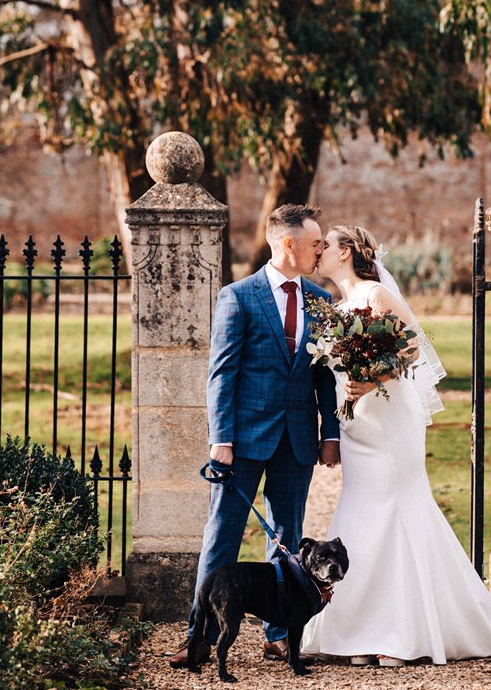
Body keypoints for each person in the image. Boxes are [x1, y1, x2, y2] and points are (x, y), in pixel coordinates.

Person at [301, 224, 491, 667]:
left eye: (324, 245)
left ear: (345, 252)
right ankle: (359, 631)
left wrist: (373, 381)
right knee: (361, 512)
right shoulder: (336, 307)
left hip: (389, 418)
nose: (318, 252)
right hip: (357, 424)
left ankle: (402, 632)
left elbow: (412, 346)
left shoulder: (376, 295)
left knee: (399, 508)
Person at [169, 204, 340, 670]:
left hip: (299, 440)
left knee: (288, 541)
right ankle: (198, 639)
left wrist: (331, 433)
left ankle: (279, 635)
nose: (320, 250)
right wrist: (220, 438)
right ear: (289, 244)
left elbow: (324, 376)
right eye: (315, 243)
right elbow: (221, 374)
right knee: (221, 538)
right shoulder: (238, 297)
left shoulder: (320, 300)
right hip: (241, 441)